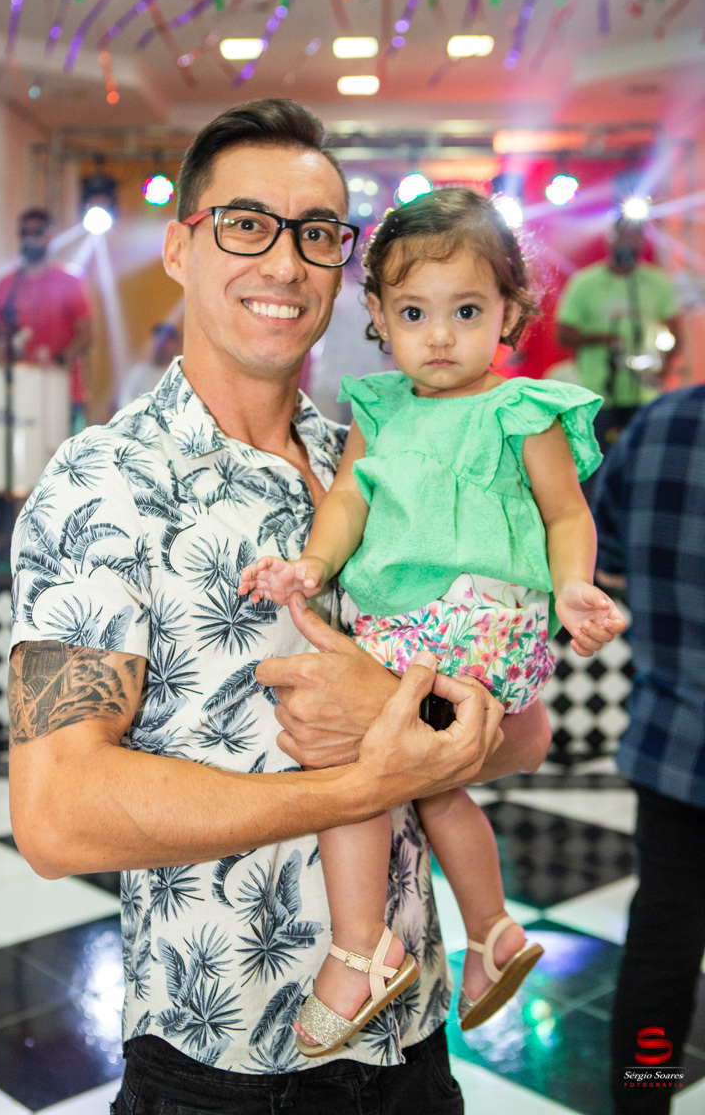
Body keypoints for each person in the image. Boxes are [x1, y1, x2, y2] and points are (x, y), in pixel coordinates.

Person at [8, 100, 553, 1115]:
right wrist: (363, 780)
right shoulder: (103, 484)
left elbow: (524, 734)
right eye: (246, 224)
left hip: (412, 1041)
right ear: (180, 247)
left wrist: (389, 703)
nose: (285, 261)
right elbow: (55, 817)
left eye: (316, 234)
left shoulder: (383, 464)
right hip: (224, 1058)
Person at [240, 188, 626, 1055]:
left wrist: (573, 586)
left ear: (511, 312)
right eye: (414, 313)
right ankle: (493, 932)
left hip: (475, 621)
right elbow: (348, 499)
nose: (440, 336)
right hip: (403, 624)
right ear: (379, 315)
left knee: (353, 766)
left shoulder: (519, 411)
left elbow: (566, 513)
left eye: (467, 311)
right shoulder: (381, 410)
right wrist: (314, 564)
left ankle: (362, 948)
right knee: (431, 785)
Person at [591, 386, 705, 1115]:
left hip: (673, 744)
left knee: (661, 954)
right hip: (673, 742)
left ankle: (643, 1105)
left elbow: (601, 559)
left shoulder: (662, 421)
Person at [556, 215, 679, 456]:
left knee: (643, 458)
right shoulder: (585, 283)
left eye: (635, 236)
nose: (629, 242)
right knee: (601, 461)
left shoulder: (656, 282)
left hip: (644, 393)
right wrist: (603, 339)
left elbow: (675, 332)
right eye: (623, 236)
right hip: (598, 394)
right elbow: (563, 334)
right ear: (610, 240)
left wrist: (663, 370)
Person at [0, 208, 94, 434]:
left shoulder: (69, 280)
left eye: (36, 232)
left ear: (50, 236)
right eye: (24, 233)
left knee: (65, 454)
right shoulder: (6, 285)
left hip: (63, 391)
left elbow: (86, 334)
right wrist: (1, 351)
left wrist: (58, 362)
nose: (30, 238)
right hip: (18, 390)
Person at [117, 319, 181, 409]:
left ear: (176, 344)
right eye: (159, 340)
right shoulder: (138, 372)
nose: (162, 345)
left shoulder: (181, 374)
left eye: (166, 341)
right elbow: (124, 400)